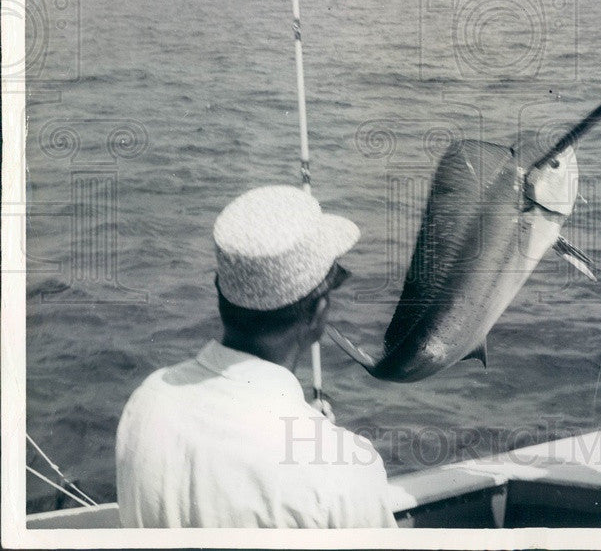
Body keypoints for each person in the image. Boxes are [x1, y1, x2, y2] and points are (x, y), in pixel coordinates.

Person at [116, 185, 397, 528]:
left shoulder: (146, 403)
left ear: (221, 293)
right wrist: (319, 442)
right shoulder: (347, 469)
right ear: (319, 313)